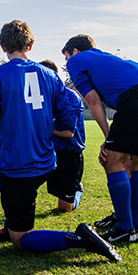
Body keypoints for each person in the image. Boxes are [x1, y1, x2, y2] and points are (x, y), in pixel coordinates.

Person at [0, 20, 119, 262]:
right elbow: (70, 110)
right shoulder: (50, 76)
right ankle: (11, 221)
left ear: (2, 46)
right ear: (31, 45)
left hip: (17, 165)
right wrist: (47, 125)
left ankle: (78, 238)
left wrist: (5, 121)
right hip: (47, 160)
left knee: (21, 239)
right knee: (3, 168)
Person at [63, 34, 138, 243]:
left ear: (75, 52)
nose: (67, 63)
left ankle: (124, 227)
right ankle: (136, 228)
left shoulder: (77, 60)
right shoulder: (106, 59)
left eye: (67, 58)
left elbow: (93, 101)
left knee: (112, 160)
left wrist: (109, 137)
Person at [40, 60, 85, 213]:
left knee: (64, 209)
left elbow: (68, 133)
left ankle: (77, 191)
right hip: (49, 151)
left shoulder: (69, 97)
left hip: (69, 153)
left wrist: (42, 128)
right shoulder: (41, 97)